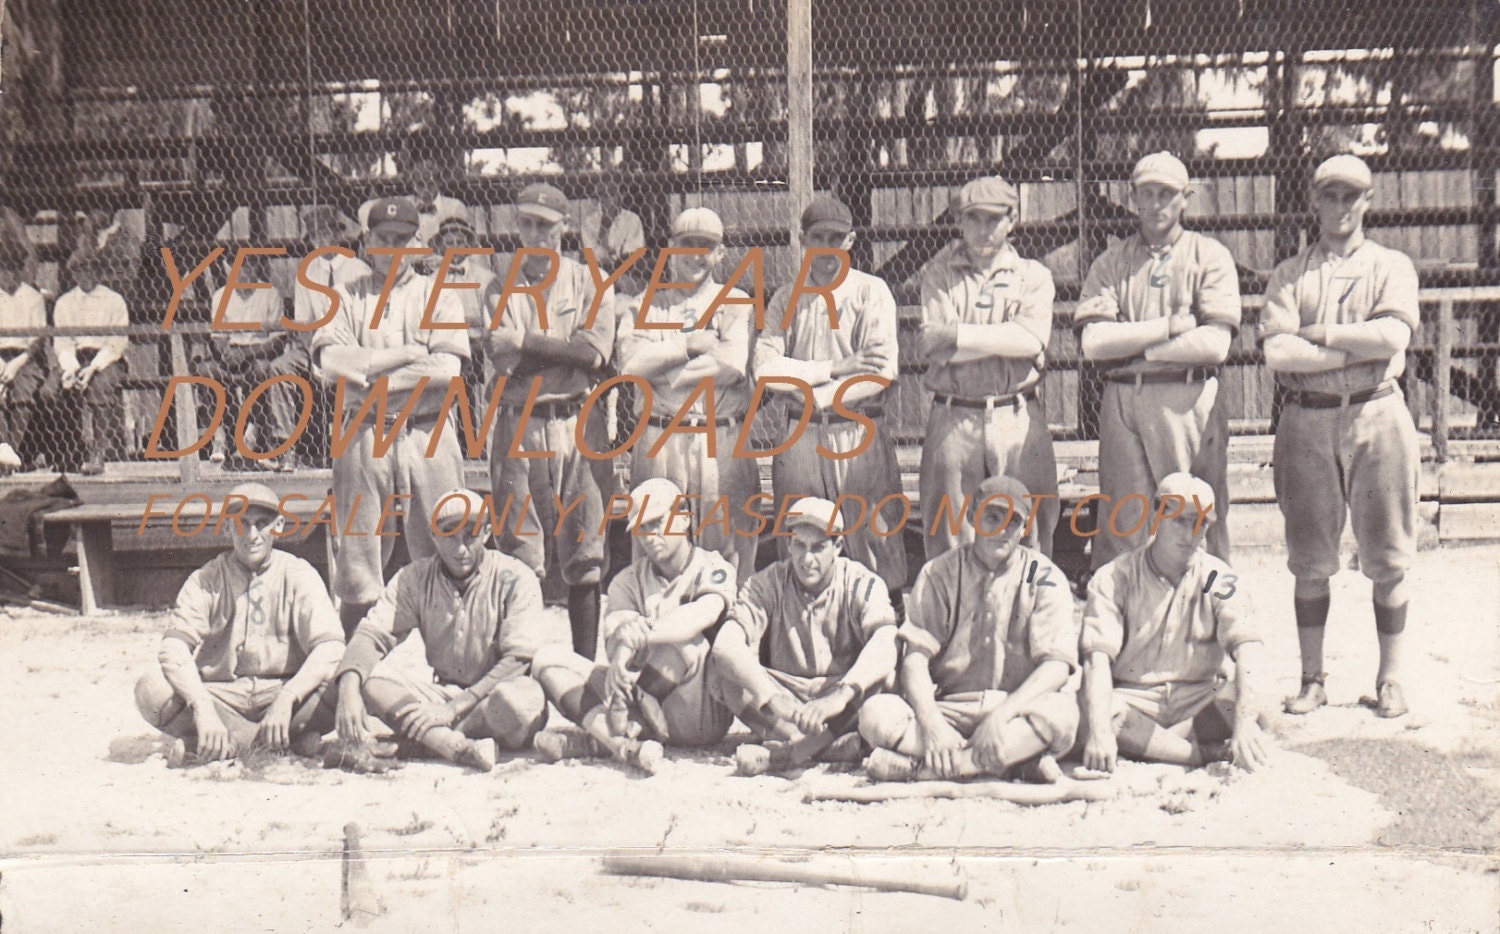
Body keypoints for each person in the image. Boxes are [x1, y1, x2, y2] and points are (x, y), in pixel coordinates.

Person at [1261, 154, 1421, 720]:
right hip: (1308, 416)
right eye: (1330, 194)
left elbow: (1395, 334)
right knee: (1309, 558)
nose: (1341, 206)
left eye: (1352, 195)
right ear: (1316, 200)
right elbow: (1278, 352)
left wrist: (1323, 336)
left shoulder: (1390, 264)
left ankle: (1391, 678)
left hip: (1377, 412)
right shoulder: (1290, 272)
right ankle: (1312, 679)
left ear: (1368, 200)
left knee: (1389, 555)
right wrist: (1358, 345)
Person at [311, 197, 470, 636]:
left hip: (427, 431)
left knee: (448, 545)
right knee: (358, 562)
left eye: (403, 240)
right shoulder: (344, 296)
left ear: (418, 243)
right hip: (365, 433)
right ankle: (355, 670)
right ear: (367, 241)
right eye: (384, 239)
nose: (394, 249)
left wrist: (371, 372)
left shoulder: (437, 294)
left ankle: (451, 659)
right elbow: (332, 363)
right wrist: (406, 355)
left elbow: (447, 369)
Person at [1075, 152, 1239, 570]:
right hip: (1125, 399)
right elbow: (1094, 343)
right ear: (1133, 199)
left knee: (1193, 518)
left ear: (1185, 198)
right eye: (1146, 193)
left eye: (1166, 193)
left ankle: (1204, 624)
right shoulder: (1112, 263)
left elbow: (1214, 344)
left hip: (1187, 395)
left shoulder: (1209, 255)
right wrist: (1169, 327)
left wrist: (1136, 349)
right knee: (1124, 524)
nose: (1156, 203)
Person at [858, 476, 1080, 782]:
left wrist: (1001, 717)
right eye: (992, 516)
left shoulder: (1045, 576)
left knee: (1063, 715)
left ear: (1025, 528)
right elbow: (915, 659)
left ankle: (927, 770)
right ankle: (1011, 763)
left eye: (1013, 521)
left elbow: (1056, 666)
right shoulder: (940, 572)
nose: (1002, 529)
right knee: (875, 714)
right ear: (973, 516)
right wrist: (933, 725)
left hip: (1014, 707)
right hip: (951, 707)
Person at [330, 489, 556, 772]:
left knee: (519, 703)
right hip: (441, 694)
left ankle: (425, 741)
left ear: (486, 532)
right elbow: (372, 634)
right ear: (433, 536)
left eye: (471, 535)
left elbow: (518, 660)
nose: (461, 548)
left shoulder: (516, 576)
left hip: (494, 695)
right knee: (369, 676)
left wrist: (453, 710)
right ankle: (455, 746)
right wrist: (348, 689)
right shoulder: (414, 577)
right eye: (449, 534)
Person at [487, 182, 616, 659]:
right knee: (519, 551)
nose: (535, 233)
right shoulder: (499, 285)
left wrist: (526, 343)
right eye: (526, 223)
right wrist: (561, 354)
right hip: (520, 420)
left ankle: (582, 671)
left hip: (579, 419)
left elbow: (593, 355)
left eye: (545, 224)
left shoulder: (588, 281)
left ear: (565, 228)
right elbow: (503, 363)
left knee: (585, 550)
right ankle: (521, 670)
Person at [530, 478, 737, 773]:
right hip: (634, 693)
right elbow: (616, 640)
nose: (650, 536)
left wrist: (636, 639)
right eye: (642, 527)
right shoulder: (626, 580)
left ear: (683, 517)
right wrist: (625, 651)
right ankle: (623, 745)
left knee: (685, 640)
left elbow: (698, 617)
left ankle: (597, 739)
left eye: (657, 523)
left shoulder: (714, 567)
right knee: (546, 659)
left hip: (698, 710)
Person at [756, 196, 906, 598]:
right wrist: (834, 368)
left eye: (836, 238)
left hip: (856, 429)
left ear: (850, 241)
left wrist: (820, 396)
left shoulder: (871, 291)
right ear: (802, 240)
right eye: (818, 237)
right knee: (803, 540)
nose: (827, 247)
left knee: (873, 540)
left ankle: (884, 640)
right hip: (799, 436)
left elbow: (879, 371)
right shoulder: (787, 298)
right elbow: (765, 369)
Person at [132, 482, 344, 766]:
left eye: (262, 523)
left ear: (279, 526)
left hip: (286, 696)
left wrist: (289, 698)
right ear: (226, 527)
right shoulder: (206, 578)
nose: (252, 535)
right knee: (150, 688)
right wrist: (202, 707)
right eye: (242, 524)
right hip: (222, 697)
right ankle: (283, 743)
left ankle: (227, 745)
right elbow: (174, 647)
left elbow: (330, 647)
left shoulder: (298, 573)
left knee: (349, 680)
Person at [1078, 473, 1270, 773]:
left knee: (1257, 703)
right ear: (1156, 518)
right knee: (1090, 708)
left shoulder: (1218, 577)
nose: (1192, 533)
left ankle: (1156, 748)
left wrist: (1244, 724)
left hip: (1196, 701)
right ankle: (1197, 755)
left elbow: (1249, 650)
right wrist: (1100, 730)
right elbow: (1096, 660)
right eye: (1180, 521)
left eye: (1201, 523)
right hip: (1133, 701)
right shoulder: (1115, 576)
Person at [919, 175, 1059, 559]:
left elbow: (1030, 341)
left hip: (1017, 414)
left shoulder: (1033, 275)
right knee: (951, 533)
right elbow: (935, 346)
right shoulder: (939, 272)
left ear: (1012, 219)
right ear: (960, 221)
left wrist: (958, 336)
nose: (983, 229)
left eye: (993, 218)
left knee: (1028, 529)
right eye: (973, 218)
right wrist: (1005, 340)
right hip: (955, 414)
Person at [617, 206, 760, 581]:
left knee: (728, 551)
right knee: (656, 548)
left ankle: (728, 634)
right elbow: (630, 366)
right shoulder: (644, 303)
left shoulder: (735, 301)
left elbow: (731, 365)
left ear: (720, 253)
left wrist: (665, 368)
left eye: (706, 245)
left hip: (721, 435)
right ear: (670, 247)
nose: (696, 254)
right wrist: (689, 345)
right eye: (687, 244)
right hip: (660, 435)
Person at [710, 496, 898, 776]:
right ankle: (817, 745)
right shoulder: (768, 582)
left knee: (887, 675)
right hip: (786, 697)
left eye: (818, 548)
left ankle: (789, 752)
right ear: (788, 544)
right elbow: (726, 645)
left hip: (841, 694)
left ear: (838, 546)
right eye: (799, 545)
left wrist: (841, 695)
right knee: (724, 674)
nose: (806, 559)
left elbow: (886, 640)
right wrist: (773, 697)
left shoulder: (862, 581)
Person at [199, 255, 305, 470]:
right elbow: (217, 336)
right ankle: (221, 435)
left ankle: (251, 434)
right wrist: (226, 351)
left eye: (250, 264)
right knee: (205, 371)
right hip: (230, 354)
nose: (243, 270)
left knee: (261, 371)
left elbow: (277, 340)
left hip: (258, 354)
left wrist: (248, 352)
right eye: (237, 264)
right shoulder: (221, 295)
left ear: (257, 267)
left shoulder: (269, 294)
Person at [53, 247, 129, 475]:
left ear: (99, 271)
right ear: (73, 273)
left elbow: (116, 343)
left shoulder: (114, 300)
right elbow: (62, 342)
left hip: (107, 359)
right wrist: (71, 368)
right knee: (51, 391)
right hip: (75, 358)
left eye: (91, 269)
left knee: (99, 387)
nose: (85, 275)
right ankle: (70, 453)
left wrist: (93, 368)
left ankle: (99, 452)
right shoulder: (64, 302)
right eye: (79, 270)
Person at [431, 216, 497, 438]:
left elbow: (489, 319)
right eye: (449, 243)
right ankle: (454, 441)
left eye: (460, 242)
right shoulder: (430, 280)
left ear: (468, 246)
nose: (455, 248)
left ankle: (479, 441)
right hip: (445, 347)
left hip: (477, 347)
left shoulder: (485, 278)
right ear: (440, 247)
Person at [0, 244, 48, 469]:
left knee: (22, 393)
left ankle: (13, 456)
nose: (8, 275)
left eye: (12, 269)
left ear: (20, 270)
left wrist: (17, 364)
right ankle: (3, 450)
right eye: (3, 269)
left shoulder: (32, 297)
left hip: (26, 357)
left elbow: (37, 340)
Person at [359, 155, 468, 248]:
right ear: (413, 184)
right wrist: (368, 236)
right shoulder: (404, 204)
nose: (425, 190)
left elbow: (461, 243)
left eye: (430, 184)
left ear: (439, 183)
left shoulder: (454, 207)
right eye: (420, 185)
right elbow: (365, 207)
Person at [579, 177, 646, 295]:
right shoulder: (590, 222)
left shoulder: (632, 219)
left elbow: (633, 252)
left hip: (625, 273)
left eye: (612, 194)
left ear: (622, 195)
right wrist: (604, 228)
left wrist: (609, 255)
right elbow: (590, 255)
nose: (607, 200)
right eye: (603, 195)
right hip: (598, 273)